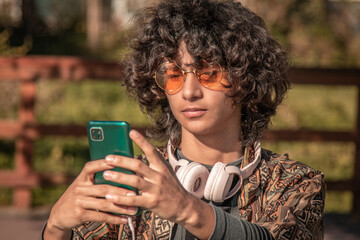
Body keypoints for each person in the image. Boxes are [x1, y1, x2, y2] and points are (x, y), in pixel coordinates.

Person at [41, 0, 325, 239]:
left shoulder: (296, 183)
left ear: (245, 80)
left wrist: (188, 210)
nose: (189, 92)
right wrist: (55, 229)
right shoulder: (132, 181)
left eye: (209, 73)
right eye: (174, 75)